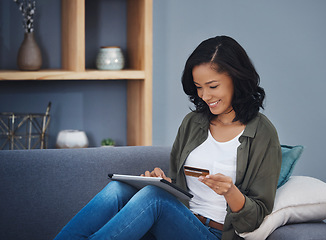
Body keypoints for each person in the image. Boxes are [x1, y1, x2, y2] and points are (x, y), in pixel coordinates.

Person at [54, 35, 282, 240]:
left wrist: (231, 192)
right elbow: (183, 188)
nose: (205, 96)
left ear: (236, 79)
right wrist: (163, 183)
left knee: (153, 198)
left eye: (212, 86)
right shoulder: (193, 123)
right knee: (119, 189)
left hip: (218, 234)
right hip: (183, 221)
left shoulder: (262, 133)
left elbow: (257, 217)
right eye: (198, 87)